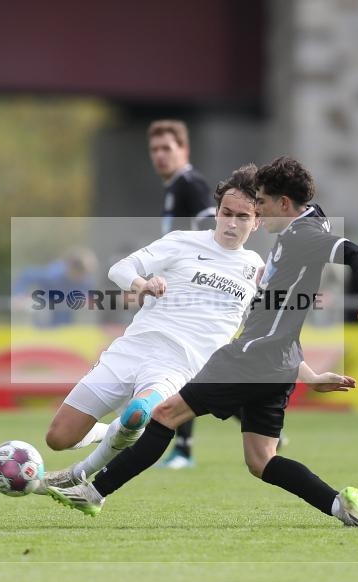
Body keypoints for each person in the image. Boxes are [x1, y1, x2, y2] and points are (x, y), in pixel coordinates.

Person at [47, 156, 358, 528]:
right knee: (261, 460)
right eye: (231, 211)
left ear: (274, 210)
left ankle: (93, 491)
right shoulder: (283, 241)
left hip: (238, 360)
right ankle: (341, 505)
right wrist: (309, 374)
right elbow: (274, 324)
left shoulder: (289, 245)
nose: (249, 215)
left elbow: (354, 254)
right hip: (275, 362)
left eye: (258, 207)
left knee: (162, 415)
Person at [34, 165, 264, 493]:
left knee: (138, 413)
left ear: (257, 222)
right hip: (132, 349)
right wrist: (142, 283)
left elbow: (273, 323)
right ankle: (105, 432)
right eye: (226, 212)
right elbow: (120, 268)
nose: (231, 222)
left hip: (177, 367)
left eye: (243, 216)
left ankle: (78, 475)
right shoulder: (182, 242)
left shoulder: (257, 269)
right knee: (58, 438)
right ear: (216, 212)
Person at [147, 119, 226, 469]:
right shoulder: (175, 187)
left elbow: (213, 230)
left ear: (184, 151)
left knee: (183, 369)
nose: (160, 156)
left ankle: (184, 450)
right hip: (175, 290)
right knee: (191, 371)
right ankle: (252, 415)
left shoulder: (191, 185)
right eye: (155, 150)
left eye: (168, 148)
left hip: (193, 292)